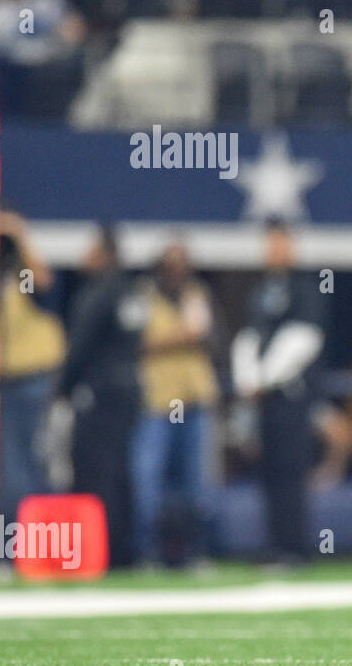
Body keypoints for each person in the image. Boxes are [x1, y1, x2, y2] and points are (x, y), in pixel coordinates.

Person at [231, 220, 326, 564]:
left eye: (281, 244)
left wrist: (264, 380)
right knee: (268, 472)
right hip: (263, 402)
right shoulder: (260, 290)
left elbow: (304, 341)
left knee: (290, 472)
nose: (275, 251)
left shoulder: (305, 287)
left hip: (290, 398)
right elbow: (249, 337)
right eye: (270, 245)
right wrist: (247, 380)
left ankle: (294, 547)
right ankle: (273, 545)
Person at [57, 226, 146, 568]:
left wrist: (63, 388)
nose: (85, 258)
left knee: (96, 470)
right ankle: (125, 551)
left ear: (106, 253)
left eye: (91, 250)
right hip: (130, 389)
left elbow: (80, 347)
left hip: (99, 392)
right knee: (122, 470)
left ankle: (100, 550)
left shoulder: (97, 294)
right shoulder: (132, 292)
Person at [131, 242, 218, 566]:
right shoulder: (143, 296)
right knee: (147, 481)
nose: (178, 270)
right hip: (157, 400)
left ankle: (195, 552)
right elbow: (135, 342)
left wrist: (188, 335)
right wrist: (182, 335)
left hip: (193, 399)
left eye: (183, 263)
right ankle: (147, 552)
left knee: (196, 484)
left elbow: (212, 337)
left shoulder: (198, 294)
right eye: (172, 264)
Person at [0, 211, 65, 521]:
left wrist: (19, 236)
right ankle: (16, 540)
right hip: (1, 381)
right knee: (8, 462)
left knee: (27, 460)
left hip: (32, 379)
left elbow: (44, 284)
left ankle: (28, 539)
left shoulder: (23, 279)